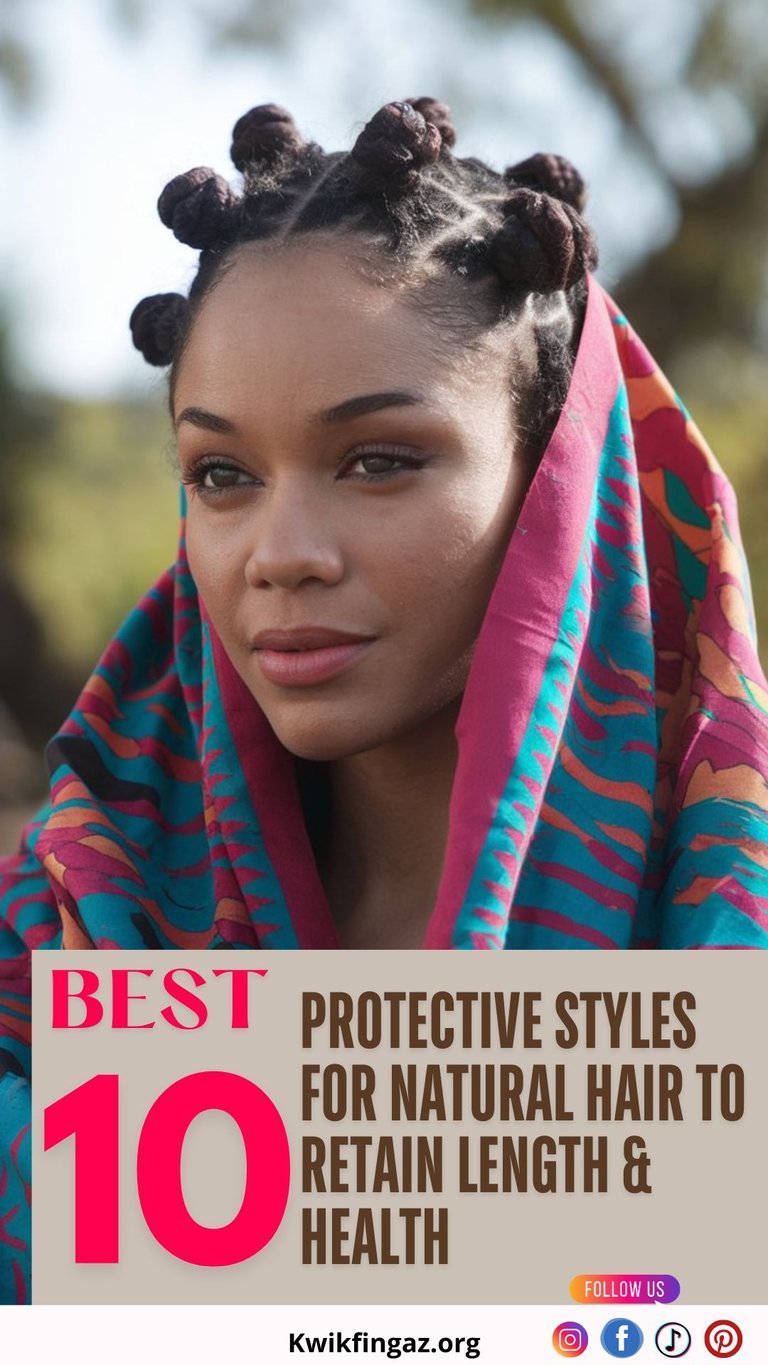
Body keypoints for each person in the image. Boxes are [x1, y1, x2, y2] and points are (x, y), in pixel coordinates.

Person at [1, 97, 767, 1302]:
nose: (279, 552)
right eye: (223, 475)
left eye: (378, 461)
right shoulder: (69, 940)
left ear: (553, 493)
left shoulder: (732, 958)